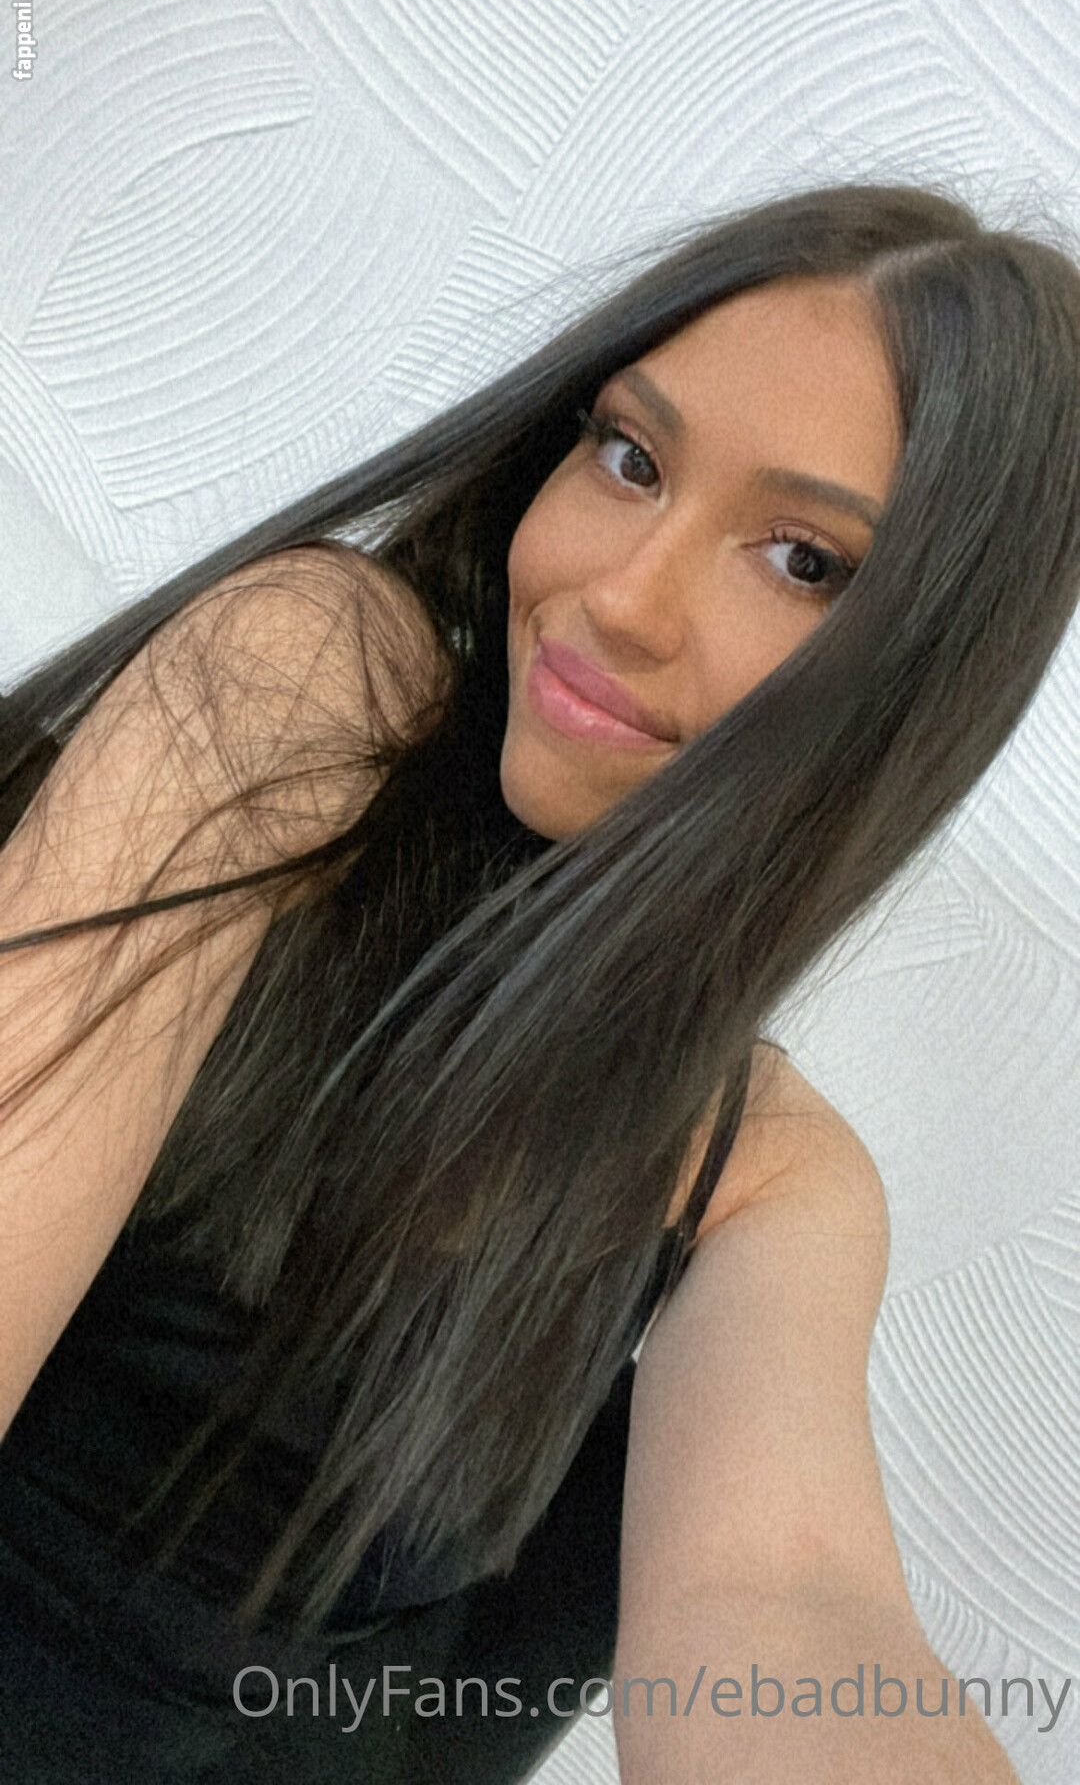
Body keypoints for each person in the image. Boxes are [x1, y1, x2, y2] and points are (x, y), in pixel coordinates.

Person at [0, 181, 1077, 1784]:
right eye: (630, 458)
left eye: (799, 559)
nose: (620, 599)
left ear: (916, 682)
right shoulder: (316, 675)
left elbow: (789, 1599)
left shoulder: (770, 1179)